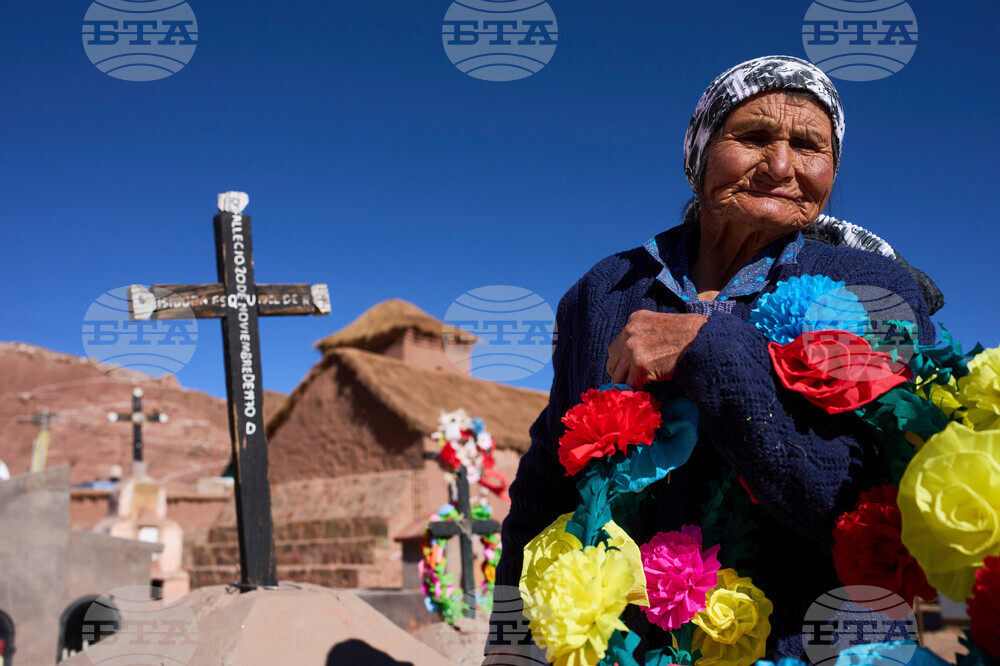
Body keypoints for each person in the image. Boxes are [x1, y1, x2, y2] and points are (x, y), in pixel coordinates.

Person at [488, 55, 938, 663]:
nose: (781, 166)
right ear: (700, 153)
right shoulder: (604, 291)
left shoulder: (873, 291)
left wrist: (712, 348)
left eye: (810, 147)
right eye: (752, 137)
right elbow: (547, 482)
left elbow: (865, 504)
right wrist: (510, 647)